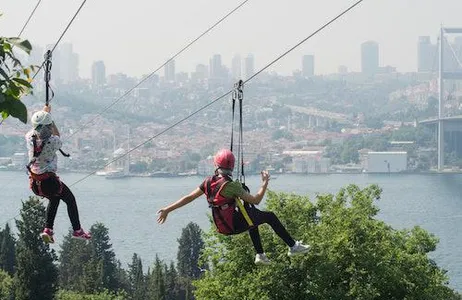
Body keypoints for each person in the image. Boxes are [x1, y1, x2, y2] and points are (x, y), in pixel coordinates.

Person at [157, 148, 310, 265]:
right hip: (233, 225)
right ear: (232, 166)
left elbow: (189, 197)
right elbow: (256, 199)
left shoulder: (208, 182)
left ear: (216, 165)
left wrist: (167, 209)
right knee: (269, 216)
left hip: (222, 226)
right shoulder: (231, 186)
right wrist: (265, 183)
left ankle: (260, 254)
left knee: (251, 214)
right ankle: (292, 246)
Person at [25, 105, 91, 244]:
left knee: (54, 199)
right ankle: (77, 230)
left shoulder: (29, 137)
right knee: (70, 200)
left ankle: (48, 230)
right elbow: (56, 135)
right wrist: (51, 119)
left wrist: (44, 113)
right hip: (49, 182)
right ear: (49, 126)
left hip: (35, 184)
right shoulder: (53, 142)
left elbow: (38, 129)